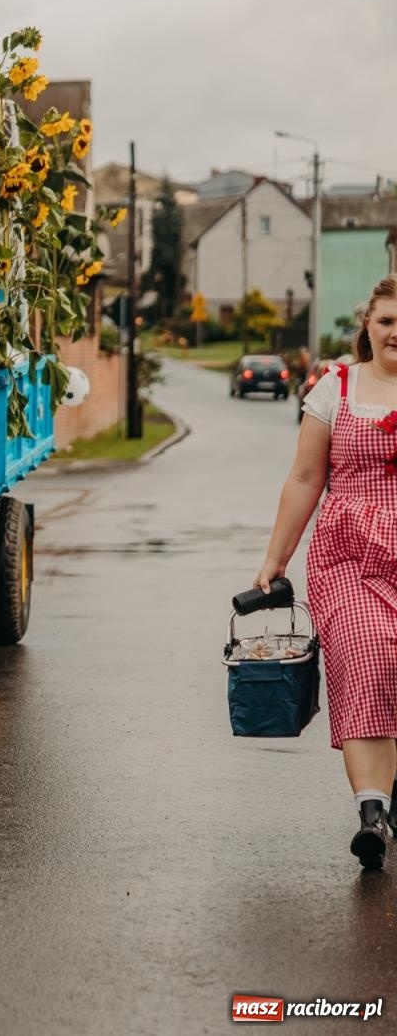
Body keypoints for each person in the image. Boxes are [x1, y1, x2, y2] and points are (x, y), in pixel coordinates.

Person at [256, 274, 397, 870]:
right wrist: (275, 558)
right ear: (367, 324)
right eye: (388, 320)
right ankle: (373, 813)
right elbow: (307, 477)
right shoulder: (335, 387)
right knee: (369, 657)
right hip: (349, 553)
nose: (396, 332)